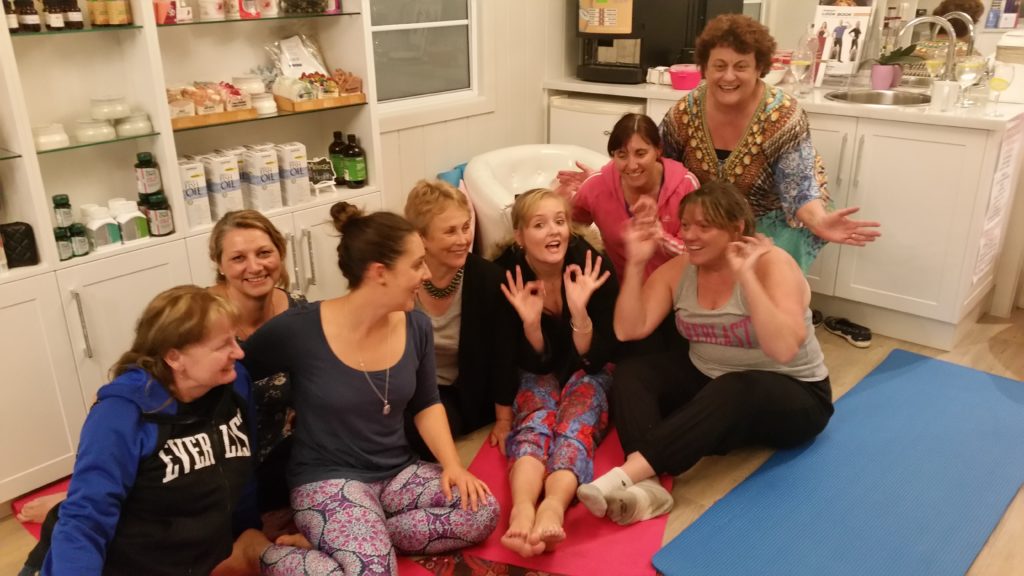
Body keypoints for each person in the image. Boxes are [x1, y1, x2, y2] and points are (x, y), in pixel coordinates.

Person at [234, 202, 499, 575]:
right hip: (327, 480)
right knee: (374, 572)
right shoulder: (300, 329)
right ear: (380, 273)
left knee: (482, 509)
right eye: (416, 264)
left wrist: (453, 466)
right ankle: (259, 553)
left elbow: (427, 403)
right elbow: (233, 366)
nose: (425, 274)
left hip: (397, 473)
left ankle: (340, 540)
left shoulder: (416, 326)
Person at [576, 182, 834, 526]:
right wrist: (637, 264)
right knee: (633, 373)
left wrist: (746, 276)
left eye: (704, 226)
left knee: (734, 388)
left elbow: (783, 348)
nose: (690, 235)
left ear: (736, 228)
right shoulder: (679, 270)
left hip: (796, 393)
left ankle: (624, 475)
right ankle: (648, 486)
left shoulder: (773, 265)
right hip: (711, 380)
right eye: (685, 225)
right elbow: (628, 329)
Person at [561, 14, 879, 274]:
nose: (729, 76)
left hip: (771, 217)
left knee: (761, 294)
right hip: (710, 219)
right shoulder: (686, 111)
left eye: (741, 66)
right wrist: (606, 178)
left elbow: (799, 189)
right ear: (705, 68)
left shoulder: (783, 115)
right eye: (719, 65)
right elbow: (651, 159)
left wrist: (820, 221)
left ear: (760, 68)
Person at [43, 286, 254, 574]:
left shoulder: (234, 382)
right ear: (174, 357)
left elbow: (244, 472)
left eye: (235, 339)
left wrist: (250, 533)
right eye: (222, 346)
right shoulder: (119, 415)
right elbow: (85, 518)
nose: (239, 352)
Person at [493, 188, 619, 557]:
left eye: (560, 222)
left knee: (576, 421)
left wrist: (580, 313)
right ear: (520, 236)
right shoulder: (508, 273)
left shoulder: (592, 265)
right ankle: (522, 508)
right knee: (535, 418)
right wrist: (532, 325)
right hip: (539, 367)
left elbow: (596, 359)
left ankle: (552, 507)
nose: (554, 232)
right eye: (540, 224)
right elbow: (516, 358)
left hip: (589, 366)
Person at [403, 180, 519, 455]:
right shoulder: (403, 277)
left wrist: (504, 420)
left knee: (418, 436)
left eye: (466, 227)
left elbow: (504, 357)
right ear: (421, 238)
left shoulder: (490, 280)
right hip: (406, 387)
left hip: (459, 392)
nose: (463, 239)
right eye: (450, 231)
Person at [207, 210, 306, 521]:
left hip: (285, 453)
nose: (254, 267)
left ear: (280, 253)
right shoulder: (199, 317)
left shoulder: (299, 307)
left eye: (264, 253)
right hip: (219, 461)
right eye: (238, 258)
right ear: (220, 265)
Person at [568, 113, 700, 281]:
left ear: (658, 150)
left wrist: (660, 237)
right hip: (618, 291)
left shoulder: (686, 186)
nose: (631, 165)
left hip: (675, 292)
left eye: (640, 153)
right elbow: (568, 231)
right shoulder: (596, 187)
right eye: (622, 155)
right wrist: (556, 204)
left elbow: (699, 251)